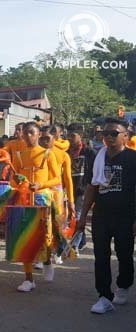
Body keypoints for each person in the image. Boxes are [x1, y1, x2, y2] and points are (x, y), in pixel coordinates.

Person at [77, 118, 136, 314]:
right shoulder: (98, 158)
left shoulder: (132, 159)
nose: (108, 137)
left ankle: (124, 284)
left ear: (125, 136)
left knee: (124, 254)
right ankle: (103, 296)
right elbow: (92, 188)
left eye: (114, 133)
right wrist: (83, 215)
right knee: (100, 256)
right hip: (101, 215)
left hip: (125, 216)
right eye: (105, 133)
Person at [10, 122, 60, 292]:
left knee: (45, 235)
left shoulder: (47, 154)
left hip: (42, 199)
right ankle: (28, 278)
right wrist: (17, 183)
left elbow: (57, 179)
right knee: (25, 237)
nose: (28, 136)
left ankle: (47, 260)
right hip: (23, 199)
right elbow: (12, 179)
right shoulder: (18, 155)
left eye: (32, 133)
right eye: (26, 133)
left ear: (39, 135)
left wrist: (41, 184)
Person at [39, 126, 76, 266]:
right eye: (41, 138)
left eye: (47, 138)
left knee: (58, 225)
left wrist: (71, 201)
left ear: (55, 138)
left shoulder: (63, 155)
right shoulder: (36, 153)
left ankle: (58, 251)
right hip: (39, 192)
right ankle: (43, 254)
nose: (43, 141)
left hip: (56, 193)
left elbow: (67, 179)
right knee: (42, 225)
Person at [66, 123, 96, 251]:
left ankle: (75, 245)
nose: (70, 139)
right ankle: (81, 240)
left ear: (81, 136)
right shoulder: (65, 152)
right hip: (68, 189)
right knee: (71, 216)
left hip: (82, 189)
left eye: (73, 136)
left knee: (78, 216)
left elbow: (94, 172)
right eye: (68, 136)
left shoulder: (89, 152)